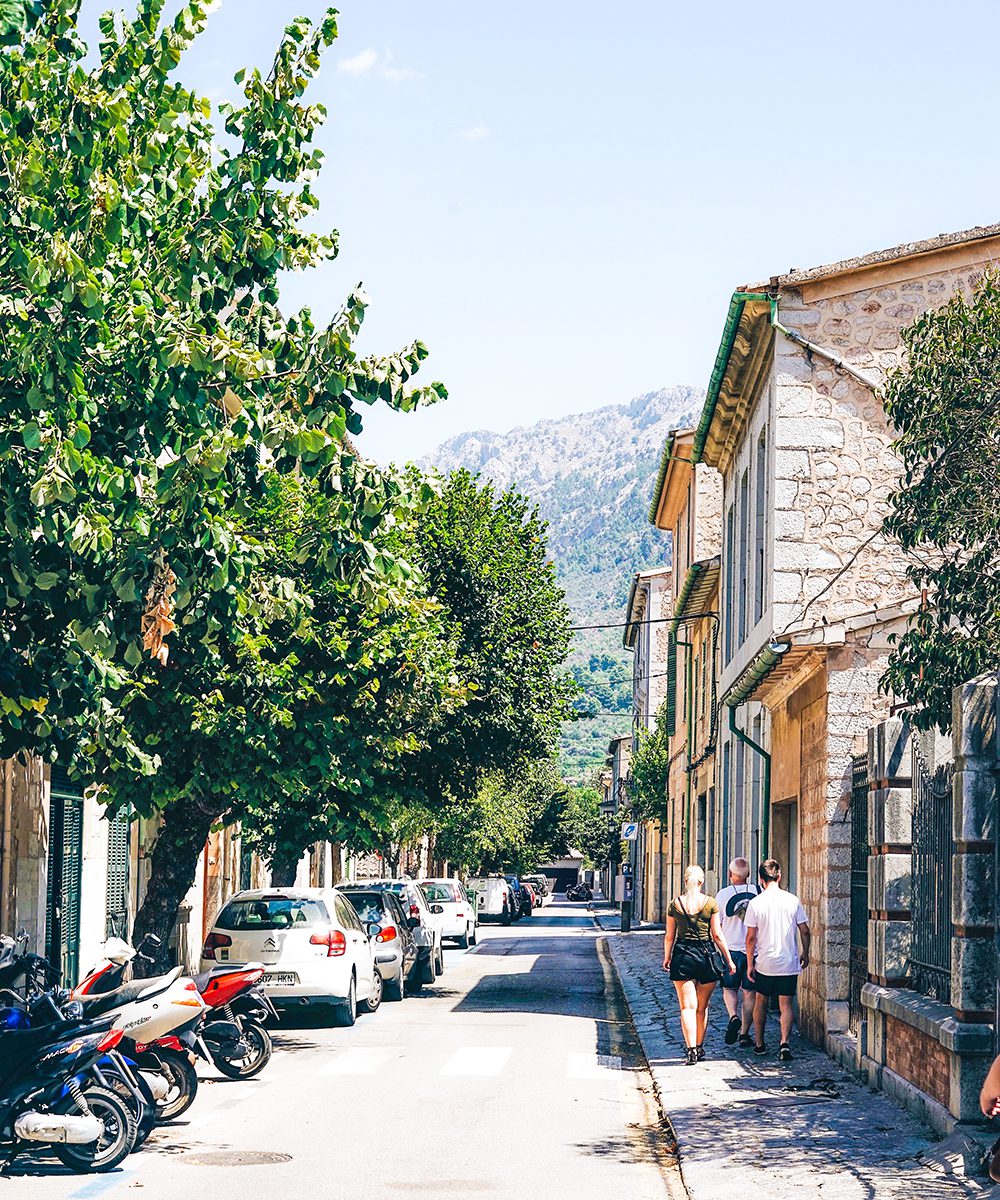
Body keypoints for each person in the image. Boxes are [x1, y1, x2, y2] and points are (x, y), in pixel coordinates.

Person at [662, 865, 736, 1066]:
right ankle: (700, 1046)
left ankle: (690, 1050)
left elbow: (669, 936)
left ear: (685, 881)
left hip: (682, 956)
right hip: (706, 958)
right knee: (701, 1008)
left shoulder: (675, 904)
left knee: (686, 1007)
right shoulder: (710, 903)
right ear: (701, 882)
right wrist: (728, 959)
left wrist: (667, 957)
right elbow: (717, 935)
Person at [744, 858, 810, 1063]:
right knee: (786, 1004)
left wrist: (749, 964)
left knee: (761, 1001)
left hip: (765, 963)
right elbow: (805, 930)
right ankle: (784, 1043)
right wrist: (805, 952)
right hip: (788, 961)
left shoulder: (755, 903)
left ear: (760, 879)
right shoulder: (792, 900)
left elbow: (750, 938)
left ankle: (760, 1044)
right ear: (779, 876)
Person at [714, 857, 759, 1048]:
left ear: (730, 874)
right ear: (748, 874)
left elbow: (717, 926)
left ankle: (733, 1016)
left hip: (730, 949)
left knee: (729, 989)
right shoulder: (758, 892)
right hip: (753, 951)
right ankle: (744, 1034)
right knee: (749, 993)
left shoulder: (722, 896)